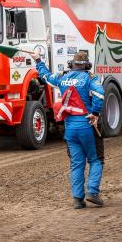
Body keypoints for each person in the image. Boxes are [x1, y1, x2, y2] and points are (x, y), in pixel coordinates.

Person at [31, 50, 105, 209]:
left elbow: (46, 77)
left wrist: (38, 60)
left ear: (71, 65)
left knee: (77, 163)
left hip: (70, 128)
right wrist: (95, 113)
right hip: (87, 126)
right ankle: (92, 192)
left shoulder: (62, 78)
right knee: (96, 159)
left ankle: (78, 199)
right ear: (87, 65)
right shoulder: (89, 78)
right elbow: (100, 94)